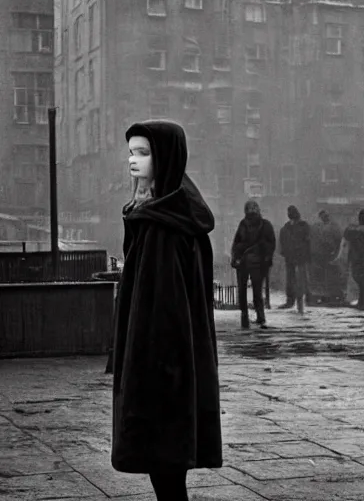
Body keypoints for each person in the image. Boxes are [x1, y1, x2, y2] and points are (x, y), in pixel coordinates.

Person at [112, 120, 222, 500]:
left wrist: (152, 364)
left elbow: (167, 306)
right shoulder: (165, 215)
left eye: (143, 153)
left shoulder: (166, 225)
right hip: (166, 362)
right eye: (131, 152)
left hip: (162, 364)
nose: (133, 160)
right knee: (165, 462)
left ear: (166, 158)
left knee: (165, 461)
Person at [231, 199, 276, 329]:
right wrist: (235, 257)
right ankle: (246, 317)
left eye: (253, 208)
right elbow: (236, 242)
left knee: (256, 291)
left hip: (257, 263)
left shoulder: (265, 225)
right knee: (243, 291)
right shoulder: (243, 224)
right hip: (244, 263)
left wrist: (266, 257)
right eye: (249, 208)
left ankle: (260, 317)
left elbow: (271, 244)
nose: (251, 211)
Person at [277, 205, 311, 315]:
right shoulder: (295, 227)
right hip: (294, 257)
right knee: (296, 279)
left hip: (296, 257)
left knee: (296, 279)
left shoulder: (289, 227)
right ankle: (295, 300)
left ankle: (295, 300)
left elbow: (307, 241)